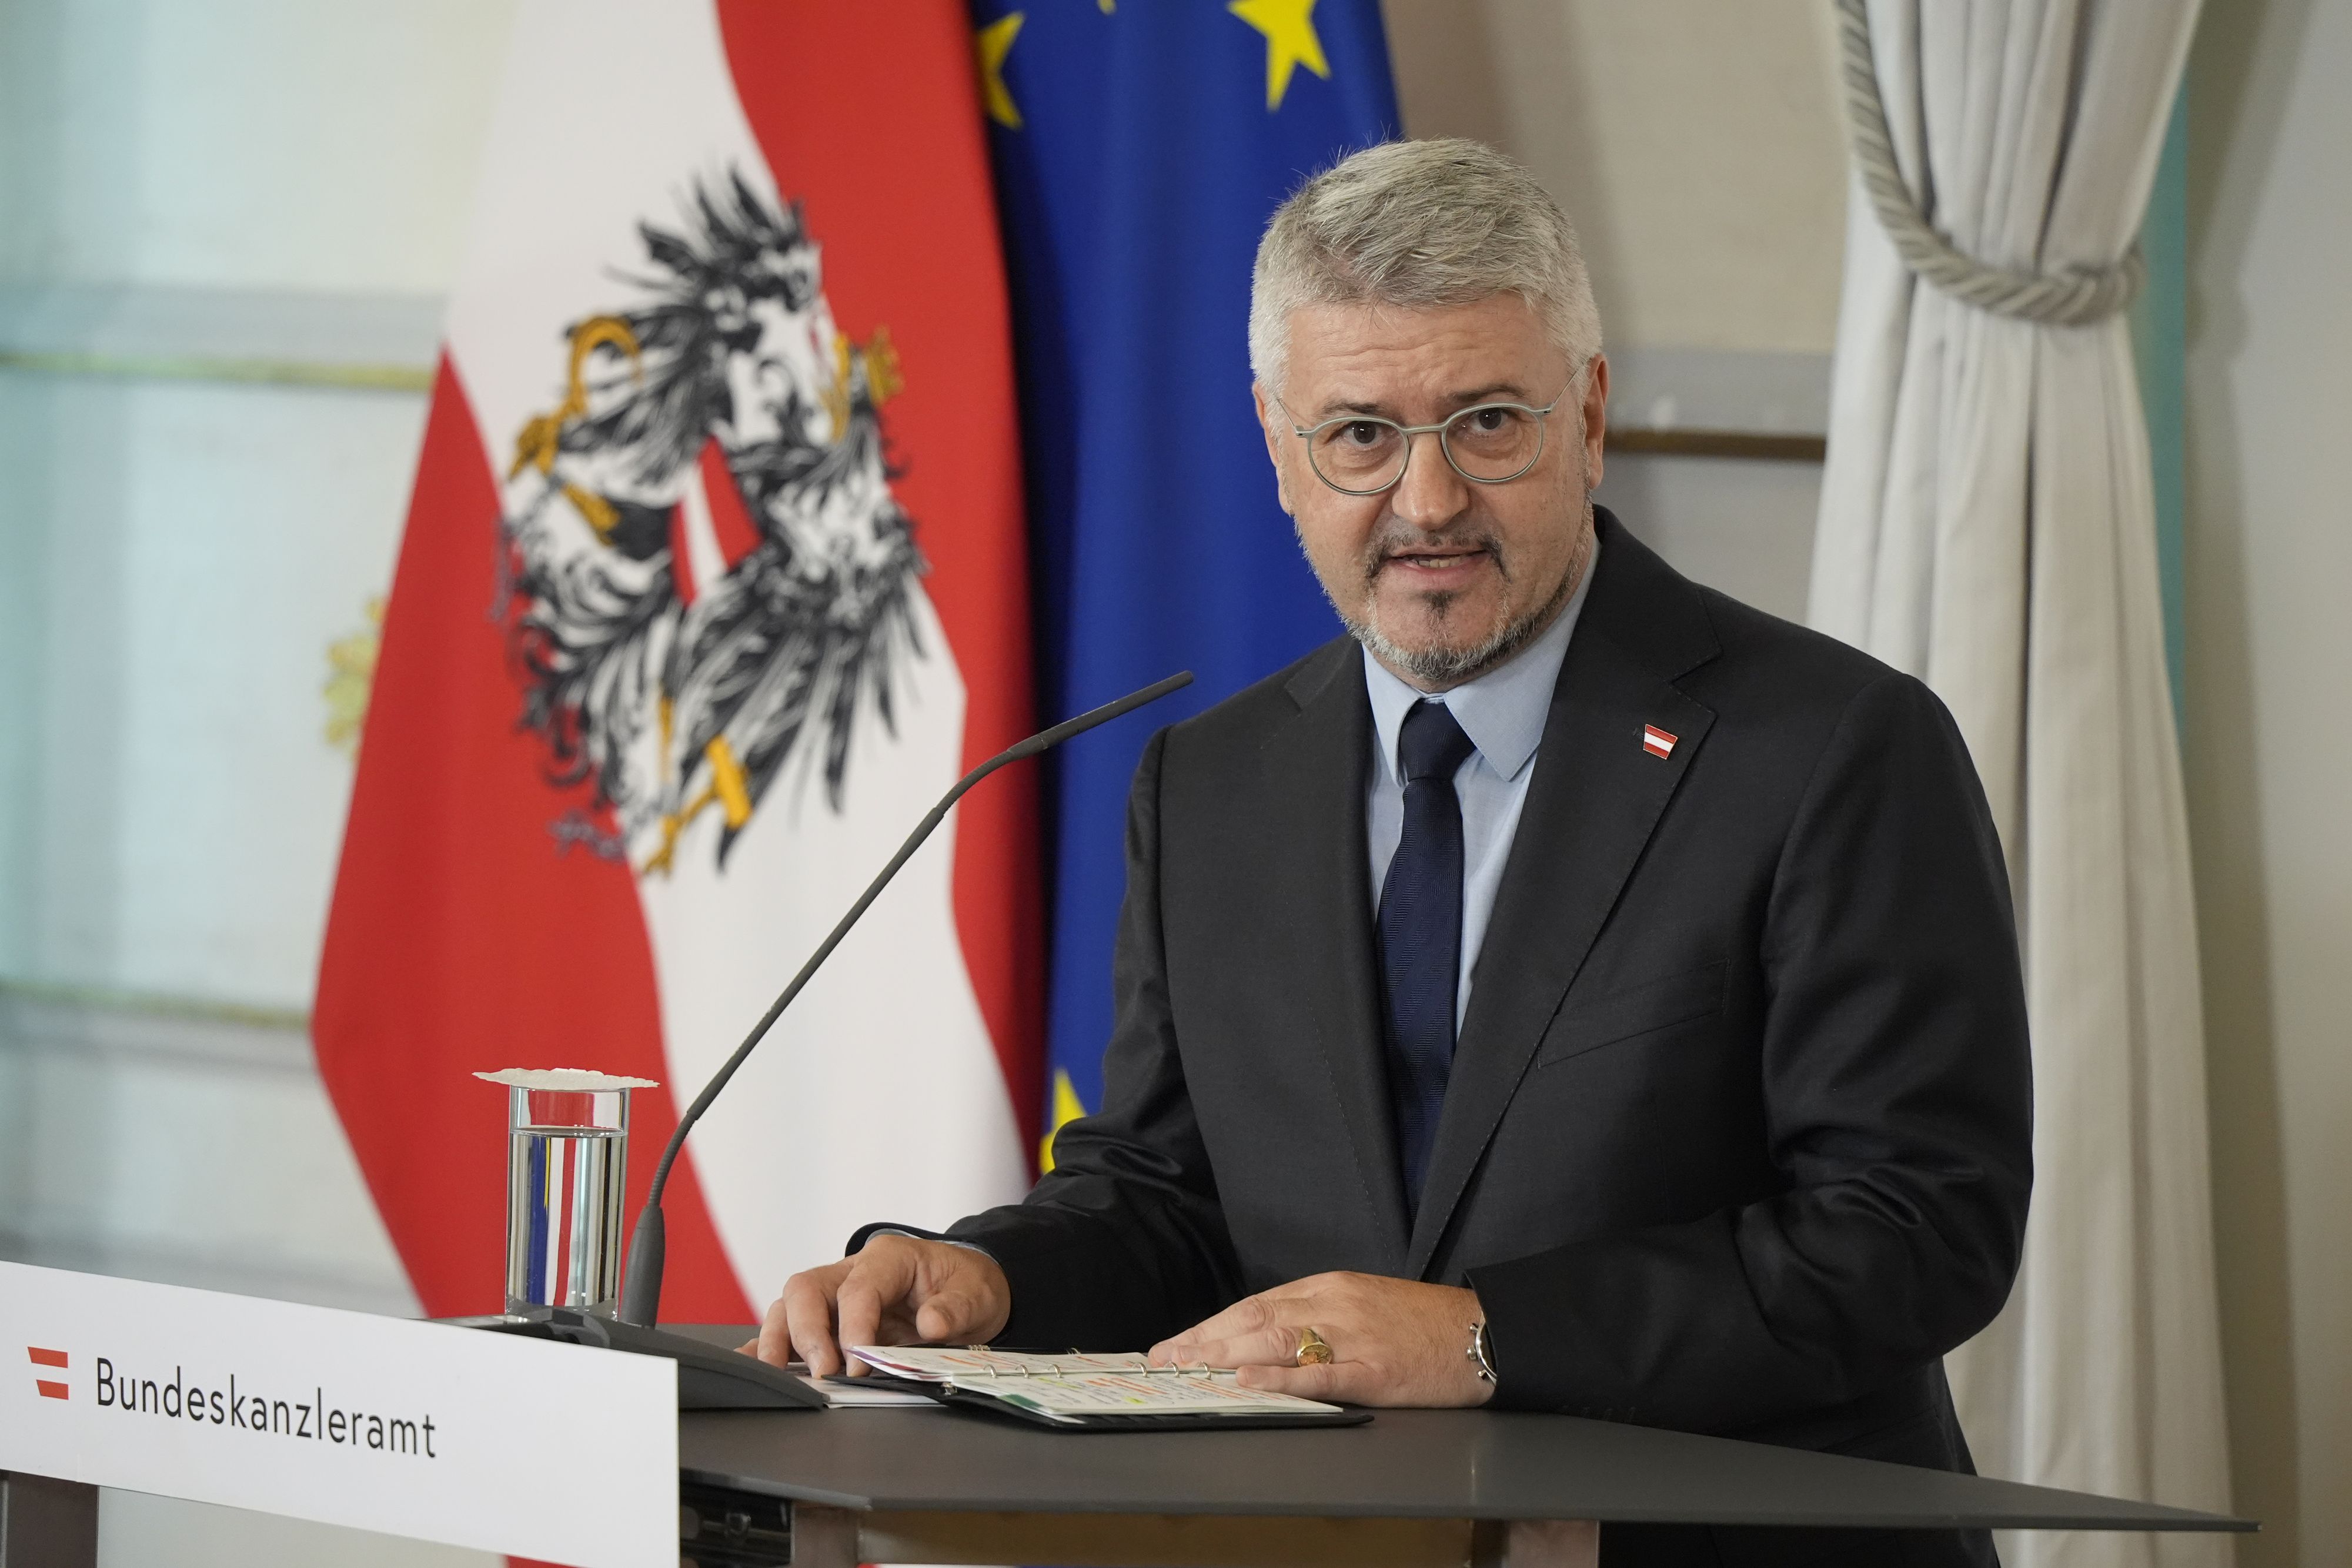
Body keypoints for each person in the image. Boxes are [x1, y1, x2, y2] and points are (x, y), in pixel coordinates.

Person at [757, 138, 2032, 1567]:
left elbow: (1916, 1227)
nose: (1425, 503)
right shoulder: (1213, 782)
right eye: (1359, 434)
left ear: (1589, 417)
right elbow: (1167, 1199)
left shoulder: (1829, 745)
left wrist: (1482, 1334)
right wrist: (985, 1272)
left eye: (1486, 423)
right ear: (1277, 448)